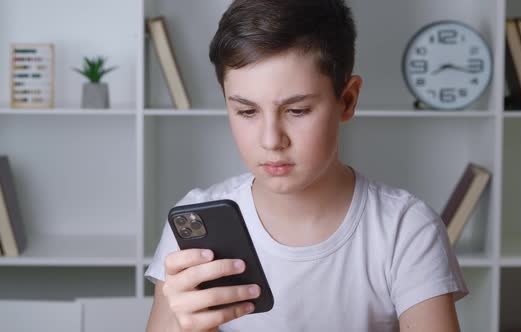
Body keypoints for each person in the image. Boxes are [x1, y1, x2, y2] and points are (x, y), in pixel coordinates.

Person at [145, 0, 468, 331]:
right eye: (246, 111)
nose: (271, 140)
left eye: (297, 111)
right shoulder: (194, 219)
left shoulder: (405, 229)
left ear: (347, 100)